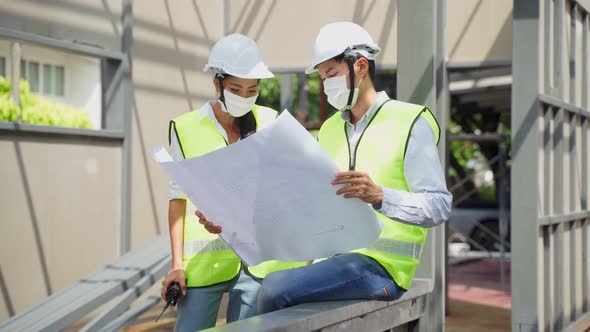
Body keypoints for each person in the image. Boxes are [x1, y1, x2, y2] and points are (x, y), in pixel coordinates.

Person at [255, 22, 453, 313]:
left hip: (384, 268)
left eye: (331, 74)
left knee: (275, 288)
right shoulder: (329, 129)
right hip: (334, 263)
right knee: (266, 280)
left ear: (360, 66)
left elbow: (440, 205)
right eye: (322, 78)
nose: (325, 86)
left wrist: (380, 196)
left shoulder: (409, 121)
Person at [161, 33, 303, 331]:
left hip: (258, 264)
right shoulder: (185, 128)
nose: (245, 96)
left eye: (251, 89)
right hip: (203, 264)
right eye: (236, 89)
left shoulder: (270, 121)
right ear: (218, 84)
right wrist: (177, 265)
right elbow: (178, 199)